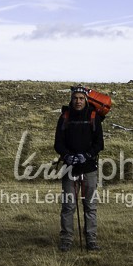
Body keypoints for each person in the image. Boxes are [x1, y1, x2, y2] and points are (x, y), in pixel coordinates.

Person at [54, 85, 104, 251]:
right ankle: (66, 240)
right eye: (75, 98)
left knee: (90, 206)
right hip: (69, 168)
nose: (78, 101)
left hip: (89, 168)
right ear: (71, 99)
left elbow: (99, 143)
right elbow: (58, 143)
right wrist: (67, 155)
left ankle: (91, 240)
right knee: (68, 206)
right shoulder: (65, 117)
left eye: (81, 98)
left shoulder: (93, 116)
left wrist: (87, 155)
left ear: (86, 100)